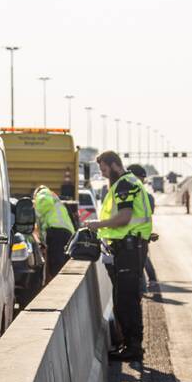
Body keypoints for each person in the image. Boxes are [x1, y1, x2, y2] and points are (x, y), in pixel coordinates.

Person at [85, 151, 153, 361]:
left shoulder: (125, 185)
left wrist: (98, 224)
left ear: (114, 165)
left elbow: (124, 218)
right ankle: (130, 345)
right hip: (129, 248)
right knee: (125, 298)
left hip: (130, 250)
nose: (104, 174)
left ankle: (134, 347)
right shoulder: (127, 183)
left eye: (104, 169)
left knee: (127, 300)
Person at [127, 164, 159, 291]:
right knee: (144, 259)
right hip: (139, 236)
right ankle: (150, 280)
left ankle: (149, 282)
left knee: (142, 260)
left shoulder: (139, 196)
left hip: (136, 237)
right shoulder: (148, 196)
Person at [33, 184, 75, 278]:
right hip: (67, 232)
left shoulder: (43, 193)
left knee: (56, 263)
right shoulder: (56, 199)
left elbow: (43, 205)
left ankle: (57, 281)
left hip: (55, 231)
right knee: (64, 261)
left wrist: (35, 214)